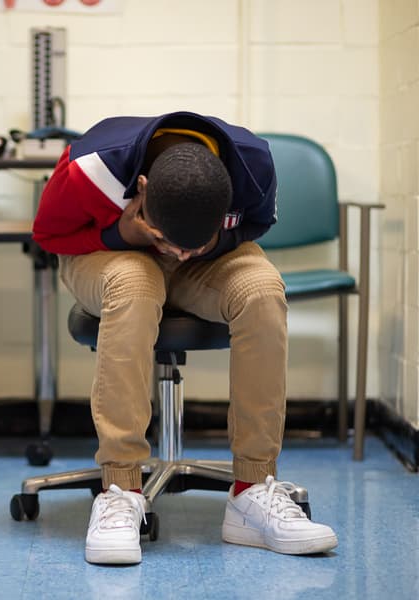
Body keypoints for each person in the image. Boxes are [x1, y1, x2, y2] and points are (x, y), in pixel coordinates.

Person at [32, 111, 338, 565]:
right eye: (169, 239)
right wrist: (124, 233)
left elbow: (256, 224)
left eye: (188, 244)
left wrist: (202, 251)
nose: (175, 253)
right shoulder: (89, 167)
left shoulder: (252, 164)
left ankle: (251, 489)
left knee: (262, 290)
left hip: (212, 262)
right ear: (142, 189)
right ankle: (121, 487)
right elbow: (48, 234)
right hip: (106, 253)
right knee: (135, 285)